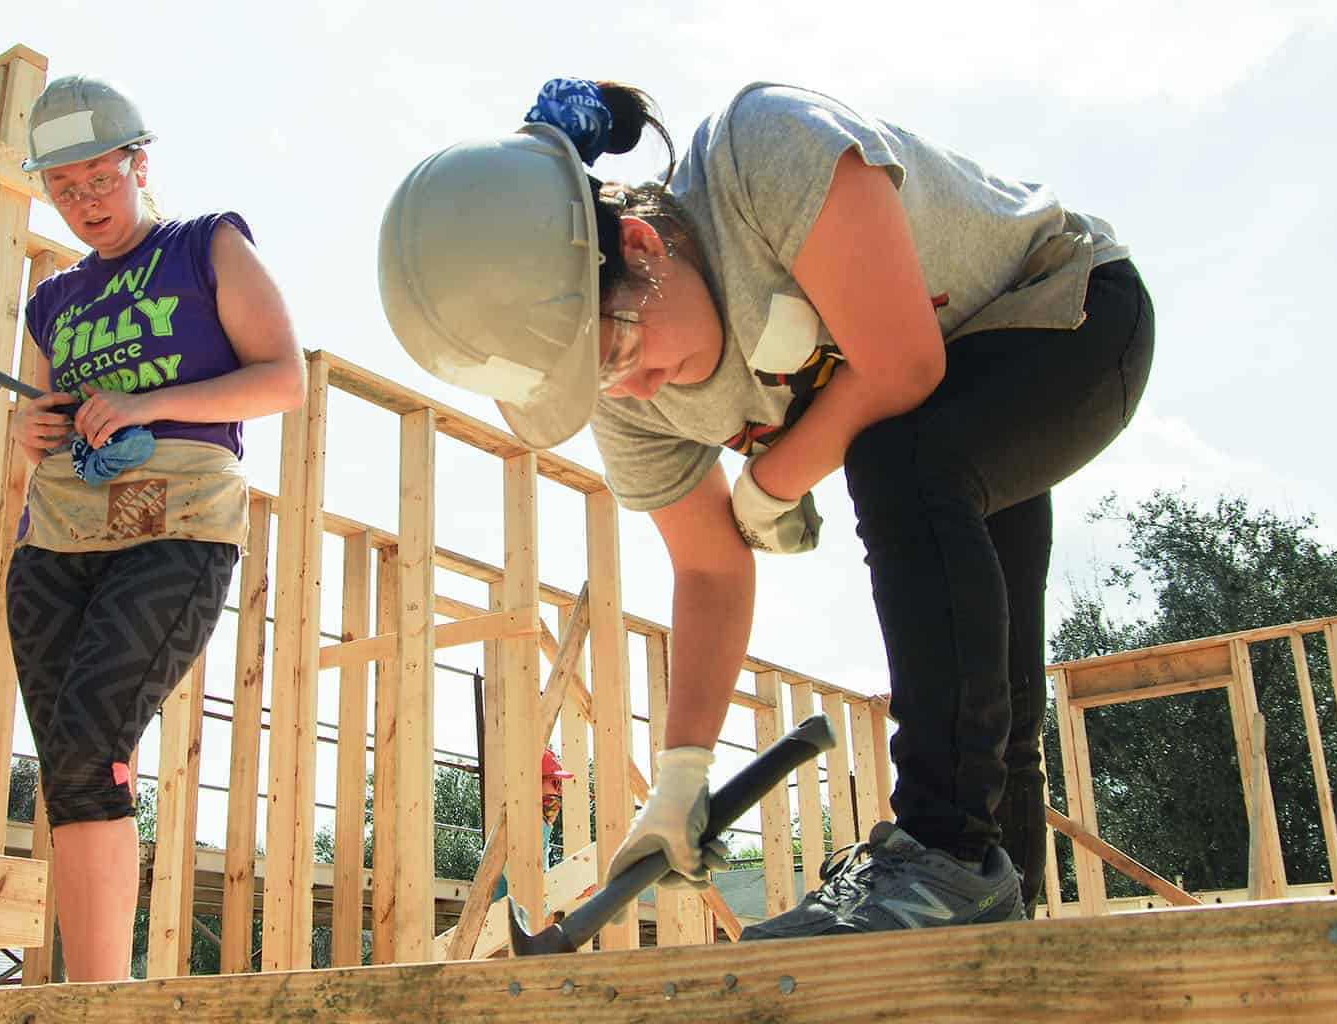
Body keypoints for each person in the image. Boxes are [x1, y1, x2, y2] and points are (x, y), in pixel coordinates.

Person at [379, 78, 1152, 938]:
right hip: (950, 426)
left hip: (1066, 314)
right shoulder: (629, 397)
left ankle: (938, 857)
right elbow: (709, 567)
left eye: (622, 347)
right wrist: (679, 781)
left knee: (896, 459)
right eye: (597, 376)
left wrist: (769, 481)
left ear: (641, 245)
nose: (628, 388)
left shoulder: (764, 154)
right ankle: (992, 942)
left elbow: (903, 368)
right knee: (990, 699)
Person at [4, 73, 304, 980]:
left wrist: (145, 403)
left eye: (99, 178)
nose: (85, 202)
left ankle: (104, 996)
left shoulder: (204, 243)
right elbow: (45, 424)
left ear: (139, 163)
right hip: (57, 539)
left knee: (96, 733)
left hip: (175, 524)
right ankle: (93, 993)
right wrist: (35, 431)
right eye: (64, 188)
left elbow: (283, 379)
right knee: (70, 765)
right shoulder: (52, 300)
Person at [491, 748, 580, 903]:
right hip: (502, 924)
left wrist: (573, 890)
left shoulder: (539, 826)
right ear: (534, 784)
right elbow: (526, 888)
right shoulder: (522, 828)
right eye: (555, 783)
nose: (560, 792)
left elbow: (539, 881)